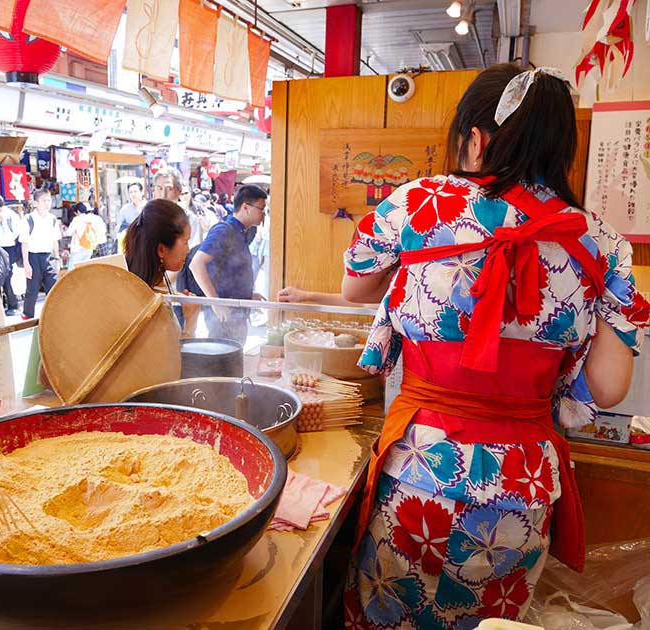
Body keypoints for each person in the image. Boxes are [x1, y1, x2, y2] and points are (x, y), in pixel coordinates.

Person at [341, 64, 649, 629]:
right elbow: (610, 388)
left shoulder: (417, 204)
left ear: (475, 139)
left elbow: (355, 286)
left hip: (420, 470)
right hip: (522, 490)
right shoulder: (601, 243)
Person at [189, 185, 267, 344]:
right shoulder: (224, 231)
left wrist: (248, 294)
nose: (264, 214)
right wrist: (216, 303)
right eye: (261, 209)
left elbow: (231, 272)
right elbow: (196, 264)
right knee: (223, 362)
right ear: (245, 207)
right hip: (223, 317)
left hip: (236, 315)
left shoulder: (242, 232)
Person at [124, 198, 199, 337]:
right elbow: (167, 357)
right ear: (161, 250)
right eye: (185, 242)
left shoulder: (147, 284)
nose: (188, 250)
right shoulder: (147, 303)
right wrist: (190, 324)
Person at [19, 188, 61, 320]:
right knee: (32, 287)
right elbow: (24, 242)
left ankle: (54, 314)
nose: (48, 203)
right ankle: (28, 313)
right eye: (44, 200)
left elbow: (55, 240)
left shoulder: (53, 219)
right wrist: (26, 264)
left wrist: (57, 258)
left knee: (53, 287)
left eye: (49, 200)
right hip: (33, 256)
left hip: (49, 256)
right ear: (35, 203)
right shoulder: (29, 219)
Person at [0, 193, 21, 316]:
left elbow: (17, 232)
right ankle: (9, 303)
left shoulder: (12, 215)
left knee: (8, 275)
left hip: (9, 248)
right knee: (2, 275)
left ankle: (14, 304)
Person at [67, 202, 107, 269]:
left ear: (78, 211)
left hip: (78, 248)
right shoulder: (95, 218)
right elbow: (103, 230)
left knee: (72, 270)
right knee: (85, 269)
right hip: (89, 247)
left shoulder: (77, 219)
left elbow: (68, 233)